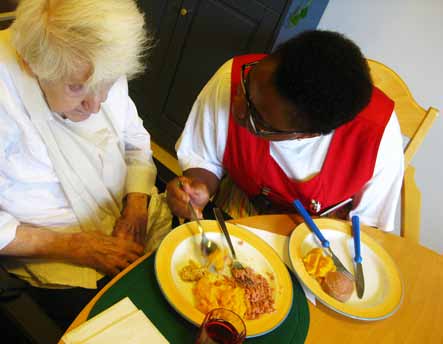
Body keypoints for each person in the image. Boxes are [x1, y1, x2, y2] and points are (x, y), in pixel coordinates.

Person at [0, 0, 171, 329]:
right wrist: (70, 245)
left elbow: (134, 137)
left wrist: (136, 205)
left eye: (107, 84)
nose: (95, 105)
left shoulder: (98, 63)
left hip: (125, 215)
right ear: (32, 64)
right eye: (76, 88)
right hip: (52, 247)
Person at [166, 30, 404, 232]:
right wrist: (199, 187)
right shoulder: (232, 78)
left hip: (320, 235)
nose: (237, 108)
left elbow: (366, 230)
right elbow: (205, 157)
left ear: (308, 134)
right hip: (242, 207)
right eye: (247, 86)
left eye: (257, 118)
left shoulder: (377, 138)